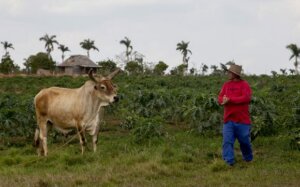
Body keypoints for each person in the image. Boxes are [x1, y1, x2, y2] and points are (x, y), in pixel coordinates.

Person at [218, 64, 253, 166]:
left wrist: (230, 100)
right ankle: (229, 162)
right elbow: (220, 97)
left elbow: (246, 98)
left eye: (230, 72)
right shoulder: (226, 85)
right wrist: (222, 101)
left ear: (235, 74)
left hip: (242, 120)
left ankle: (248, 158)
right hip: (228, 119)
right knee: (227, 141)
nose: (228, 74)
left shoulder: (244, 85)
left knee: (244, 141)